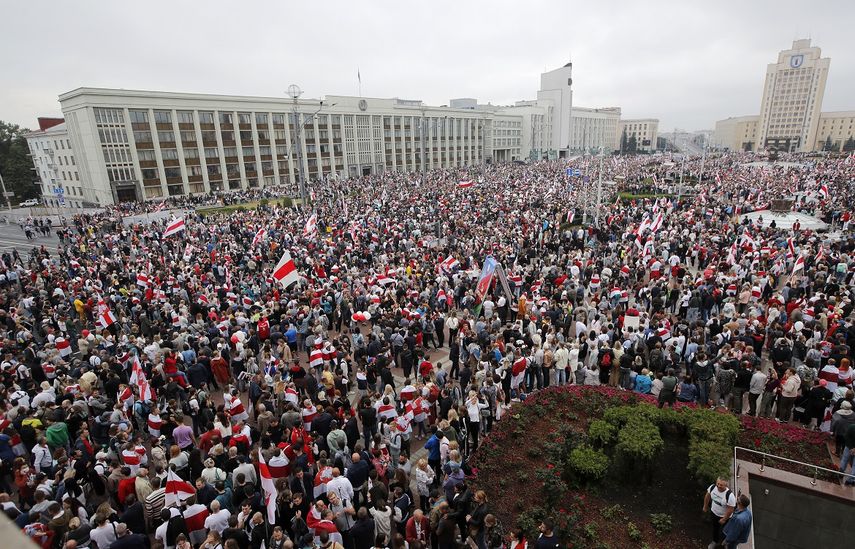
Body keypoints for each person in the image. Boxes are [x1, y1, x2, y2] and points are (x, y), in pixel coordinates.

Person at [702, 477, 736, 548]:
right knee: (715, 528)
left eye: (721, 485)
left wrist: (724, 519)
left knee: (725, 531)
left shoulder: (730, 496)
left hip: (725, 517)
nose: (719, 486)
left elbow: (731, 509)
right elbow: (707, 496)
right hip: (714, 513)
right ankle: (714, 541)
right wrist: (705, 506)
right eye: (718, 483)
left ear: (726, 485)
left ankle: (724, 543)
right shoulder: (712, 487)